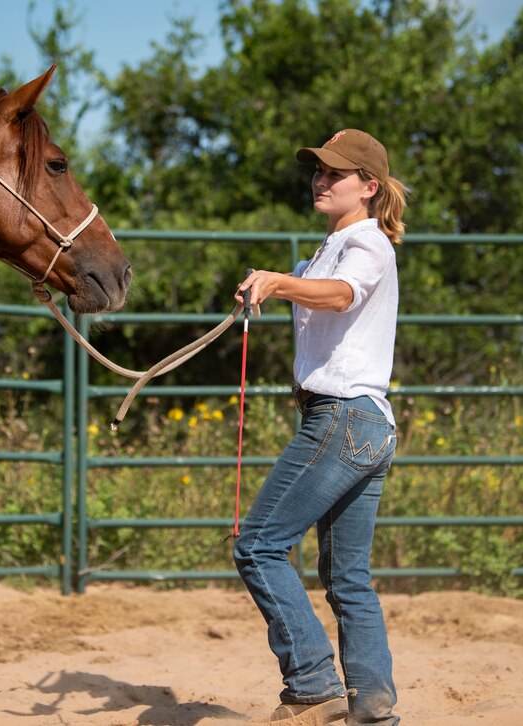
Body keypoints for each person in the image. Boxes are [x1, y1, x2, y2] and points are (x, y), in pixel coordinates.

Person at [233, 128, 407, 725]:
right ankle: (374, 707)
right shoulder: (330, 249)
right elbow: (324, 288)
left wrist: (280, 283)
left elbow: (339, 297)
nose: (322, 179)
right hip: (367, 425)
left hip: (341, 419)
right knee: (348, 579)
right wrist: (282, 282)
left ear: (369, 187)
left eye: (335, 173)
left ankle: (312, 685)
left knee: (258, 546)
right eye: (319, 170)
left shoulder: (368, 246)